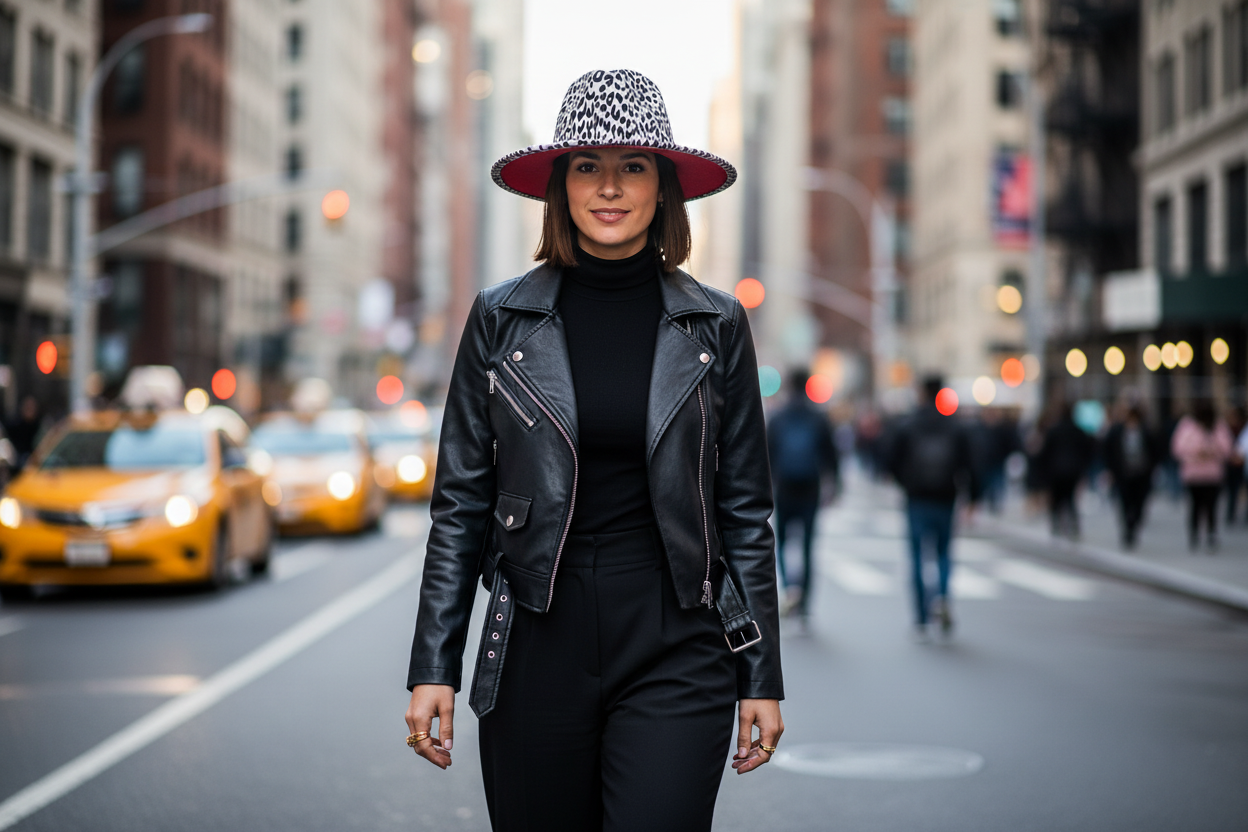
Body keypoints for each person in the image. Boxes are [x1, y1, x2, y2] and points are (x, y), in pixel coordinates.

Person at [402, 70, 783, 832]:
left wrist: (760, 676)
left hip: (678, 638)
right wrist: (432, 668)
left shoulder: (716, 326)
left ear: (664, 187)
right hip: (537, 637)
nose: (610, 187)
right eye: (588, 166)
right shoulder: (500, 320)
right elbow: (459, 504)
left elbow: (744, 511)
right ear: (561, 188)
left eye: (634, 166)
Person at [885, 376, 976, 638]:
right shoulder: (955, 426)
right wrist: (973, 496)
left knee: (916, 556)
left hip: (917, 498)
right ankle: (942, 596)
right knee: (944, 553)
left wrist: (904, 482)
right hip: (946, 497)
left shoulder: (909, 424)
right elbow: (969, 463)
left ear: (922, 392)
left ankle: (922, 617)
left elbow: (891, 459)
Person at [766, 368, 839, 621]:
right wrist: (835, 485)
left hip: (784, 488)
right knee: (808, 546)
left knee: (783, 544)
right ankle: (805, 602)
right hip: (810, 487)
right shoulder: (818, 417)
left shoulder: (778, 417)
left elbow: (766, 454)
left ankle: (790, 590)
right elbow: (831, 454)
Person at [1171, 401, 1234, 551]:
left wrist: (1213, 451)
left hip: (1212, 475)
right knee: (1195, 506)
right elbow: (1178, 447)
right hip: (1193, 475)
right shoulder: (1188, 425)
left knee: (1211, 507)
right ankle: (1194, 534)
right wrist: (1197, 451)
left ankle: (1211, 533)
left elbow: (1227, 447)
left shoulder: (1218, 425)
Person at [1103, 404, 1161, 549]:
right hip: (1123, 474)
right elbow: (1108, 450)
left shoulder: (1146, 431)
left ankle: (1134, 524)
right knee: (1124, 502)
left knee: (1140, 502)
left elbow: (1156, 451)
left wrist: (1152, 468)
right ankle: (1127, 530)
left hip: (1142, 474)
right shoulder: (1117, 431)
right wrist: (1110, 470)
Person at [1038, 402, 1095, 539]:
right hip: (1073, 471)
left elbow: (1045, 452)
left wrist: (1044, 471)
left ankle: (1056, 525)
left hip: (1056, 471)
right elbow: (1088, 450)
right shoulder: (1078, 431)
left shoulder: (1054, 430)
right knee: (1070, 500)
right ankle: (1073, 526)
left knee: (1056, 500)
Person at [1224, 405, 1246, 525]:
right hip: (1231, 465)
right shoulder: (1226, 428)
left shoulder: (1244, 428)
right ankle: (1230, 514)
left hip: (1243, 463)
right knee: (1232, 491)